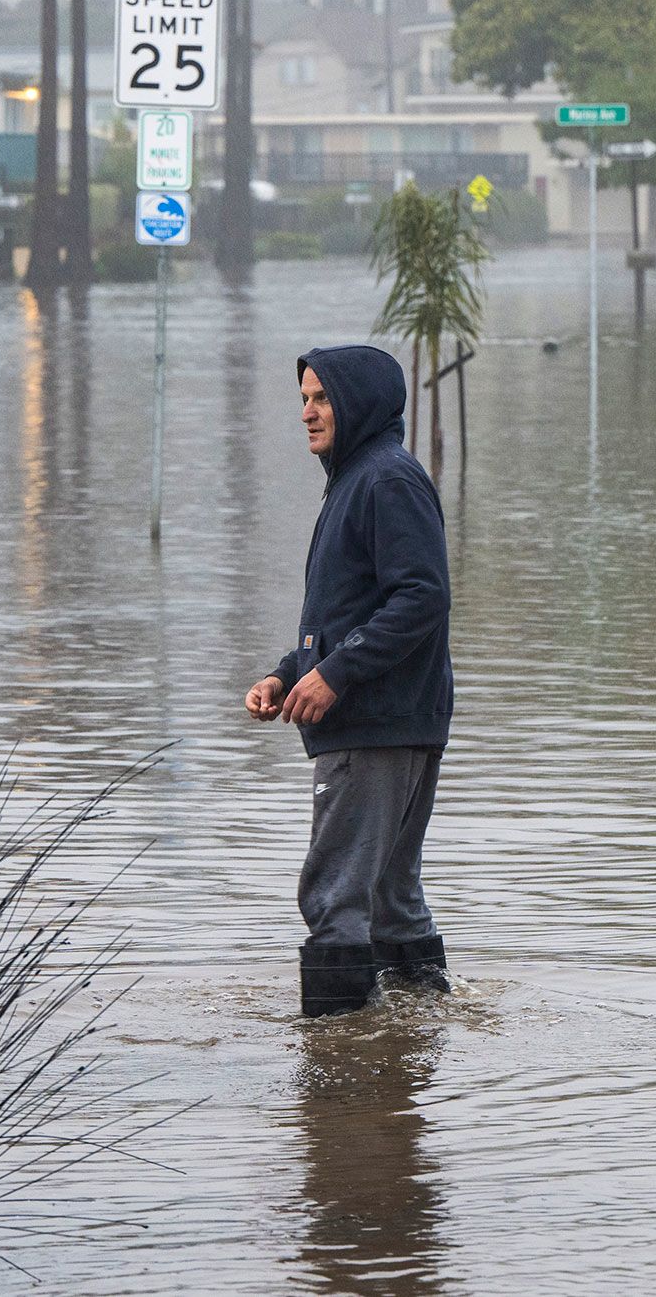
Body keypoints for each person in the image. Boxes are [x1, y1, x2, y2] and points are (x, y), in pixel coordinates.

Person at [246, 344, 454, 1017]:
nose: (307, 412)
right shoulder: (360, 480)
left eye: (322, 398)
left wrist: (334, 675)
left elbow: (422, 596)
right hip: (392, 718)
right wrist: (288, 674)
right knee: (392, 901)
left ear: (359, 401)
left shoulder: (384, 480)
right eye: (304, 399)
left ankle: (337, 1080)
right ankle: (415, 1042)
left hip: (372, 725)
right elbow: (353, 609)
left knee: (336, 899)